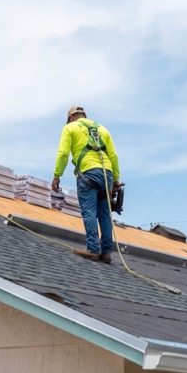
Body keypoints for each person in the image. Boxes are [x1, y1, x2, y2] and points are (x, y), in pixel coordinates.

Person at [52, 106, 122, 262]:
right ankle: (106, 253)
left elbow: (63, 154)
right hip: (107, 174)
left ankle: (92, 249)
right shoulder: (102, 129)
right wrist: (116, 180)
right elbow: (114, 156)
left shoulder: (70, 128)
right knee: (104, 214)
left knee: (89, 210)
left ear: (71, 118)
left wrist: (57, 176)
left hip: (88, 173)